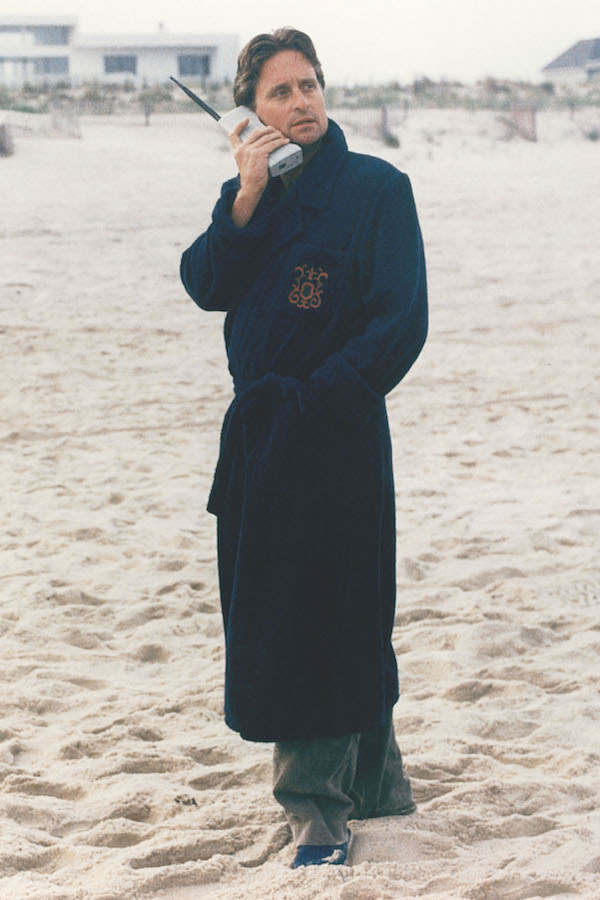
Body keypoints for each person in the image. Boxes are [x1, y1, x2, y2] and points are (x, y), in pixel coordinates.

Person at [179, 27, 428, 869]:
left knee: (331, 612)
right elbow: (206, 283)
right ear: (251, 112)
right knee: (300, 611)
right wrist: (246, 197)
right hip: (263, 440)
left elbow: (402, 321)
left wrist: (322, 402)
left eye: (310, 85)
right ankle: (378, 784)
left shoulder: (377, 189)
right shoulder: (250, 194)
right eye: (281, 92)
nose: (302, 103)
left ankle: (315, 808)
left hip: (337, 433)